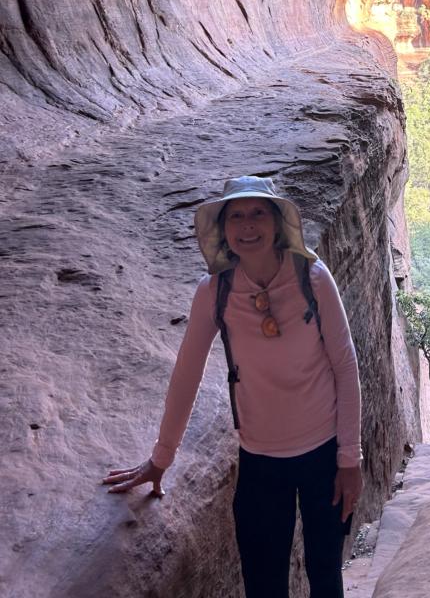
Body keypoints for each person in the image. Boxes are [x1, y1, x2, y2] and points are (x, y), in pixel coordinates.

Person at [104, 175, 363, 598]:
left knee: (325, 575)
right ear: (223, 230)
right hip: (260, 460)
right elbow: (186, 374)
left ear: (277, 223)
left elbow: (345, 366)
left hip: (324, 453)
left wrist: (350, 459)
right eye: (236, 216)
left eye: (258, 213)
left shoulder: (312, 278)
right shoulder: (216, 291)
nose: (248, 225)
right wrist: (161, 457)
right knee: (264, 585)